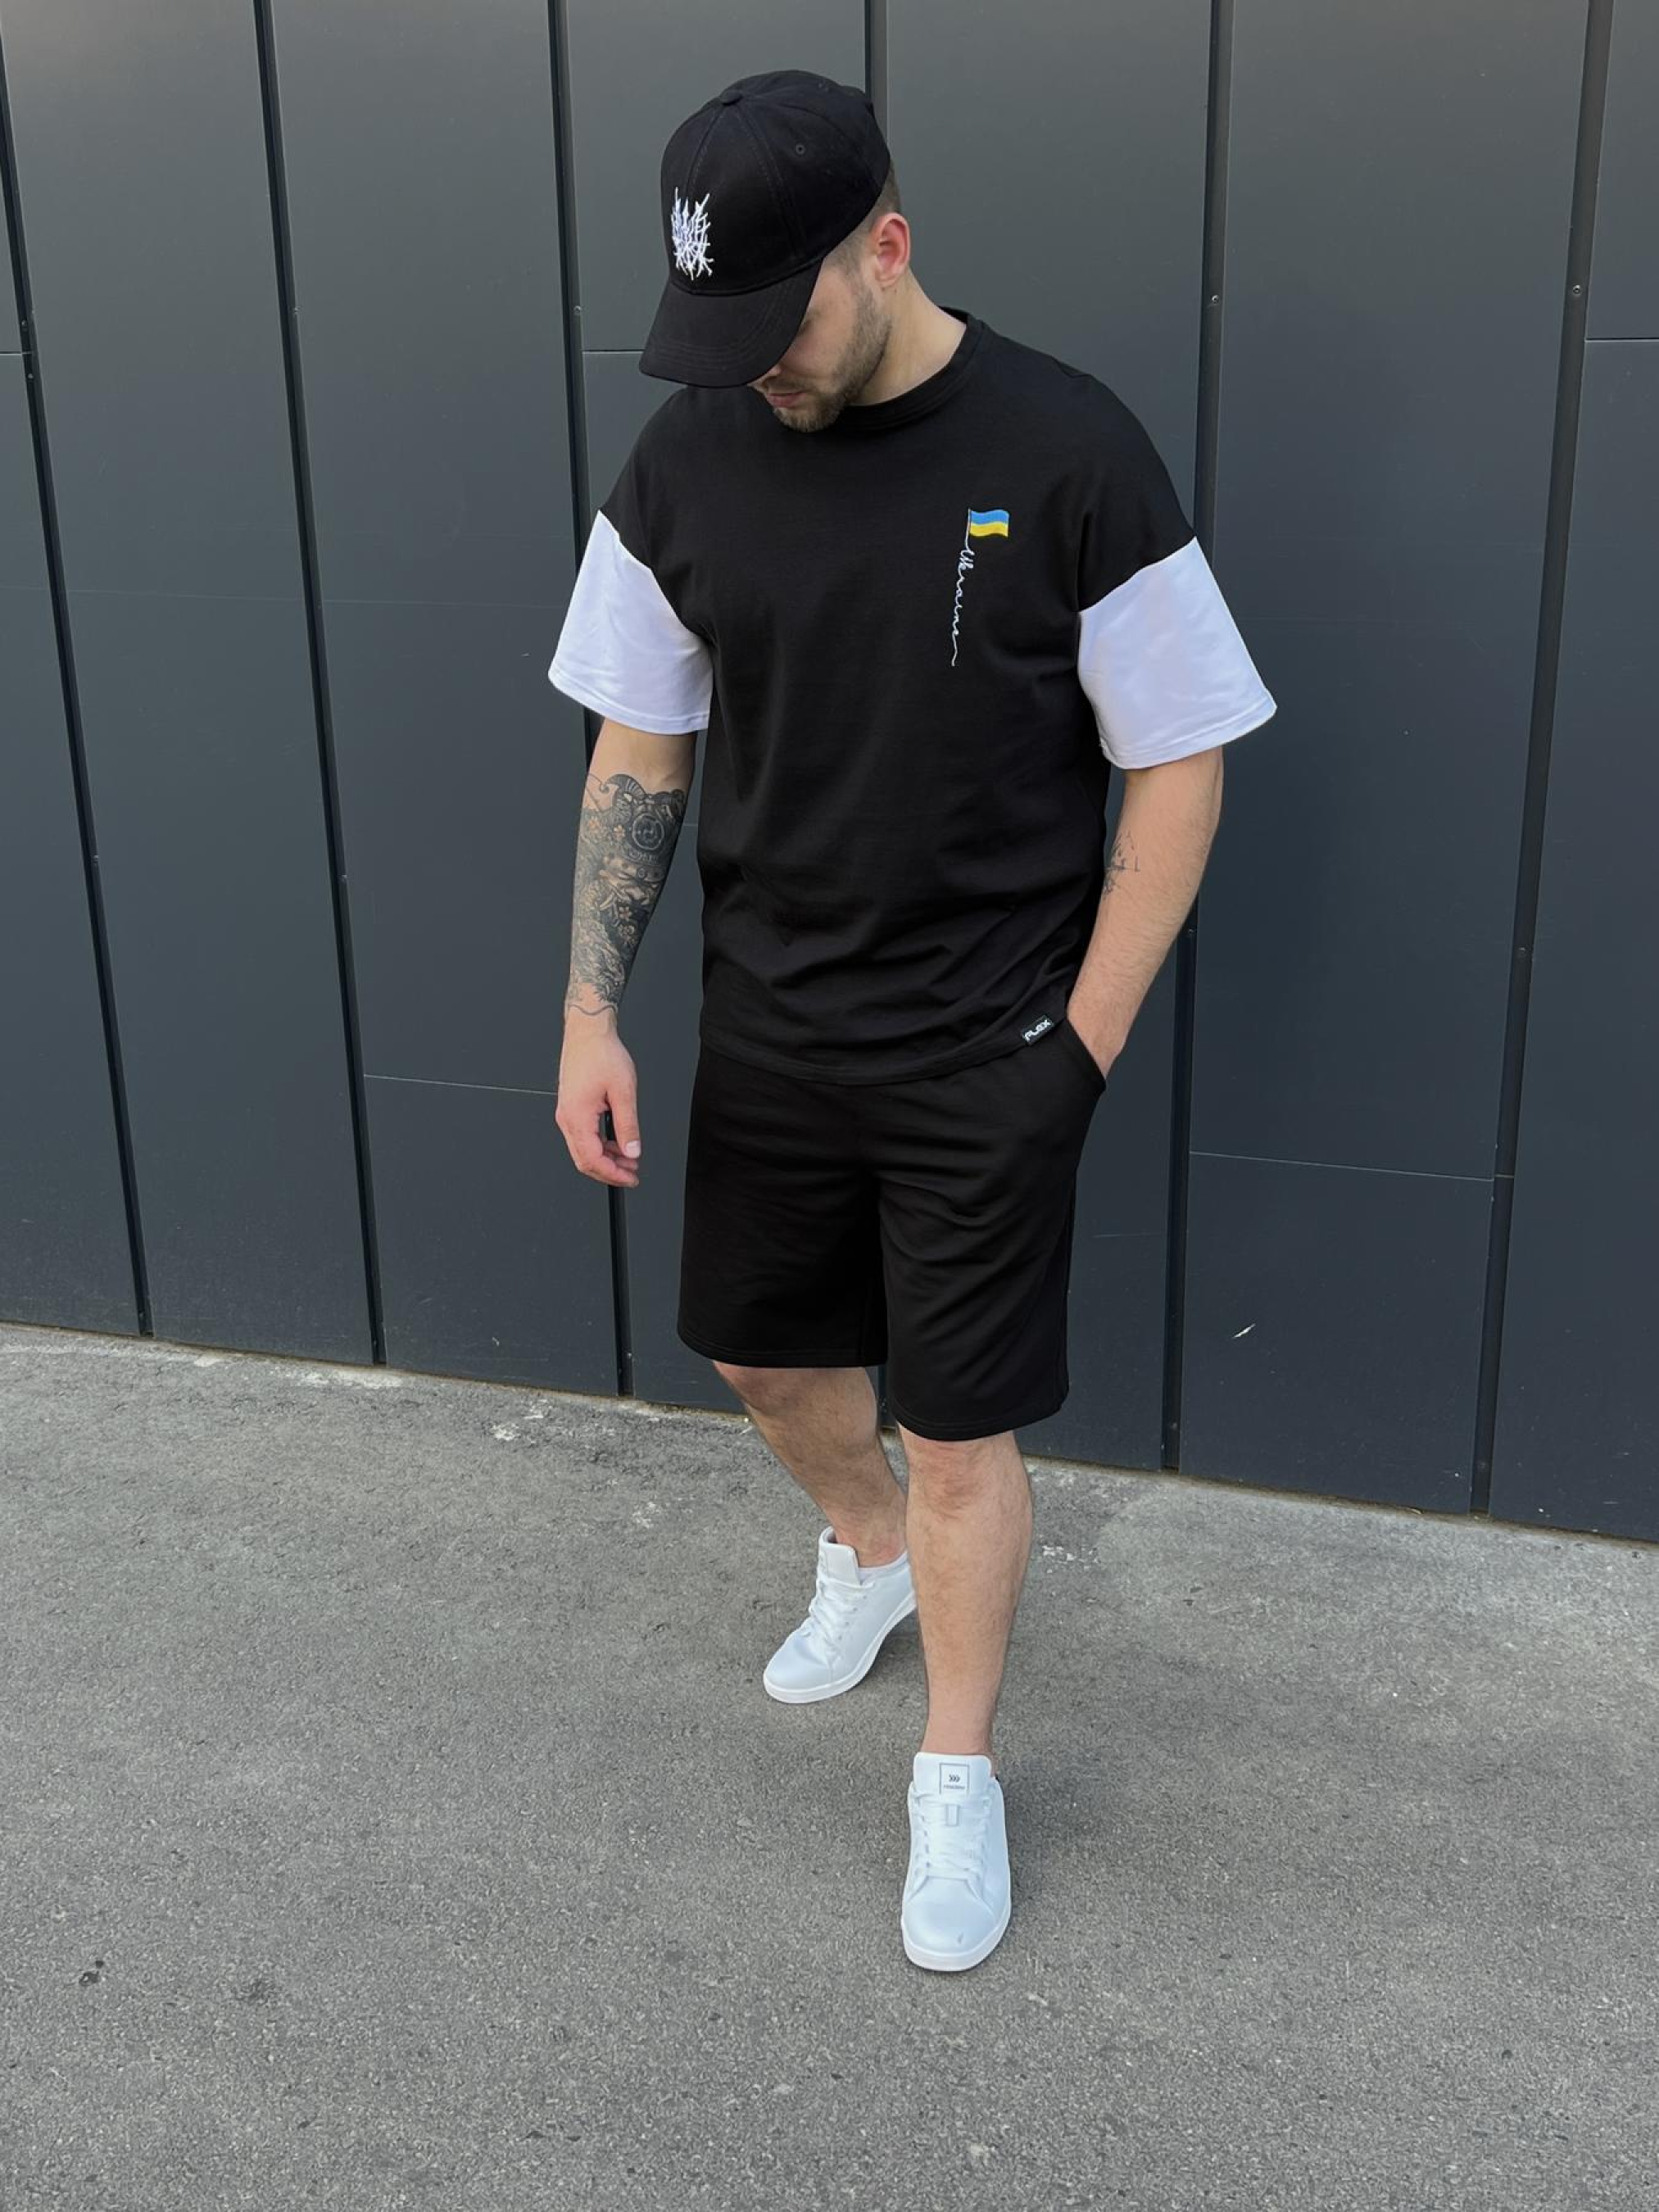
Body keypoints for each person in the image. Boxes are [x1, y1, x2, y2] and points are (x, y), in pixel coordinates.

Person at [546, 69, 1276, 1974]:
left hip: (986, 1047)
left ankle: (955, 1769)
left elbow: (1179, 760)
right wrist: (590, 1007)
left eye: (774, 324)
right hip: (770, 1025)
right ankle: (863, 1552)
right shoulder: (688, 458)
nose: (751, 372)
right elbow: (640, 740)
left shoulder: (1068, 450)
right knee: (757, 1357)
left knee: (960, 1433)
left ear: (883, 245)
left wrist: (1080, 1049)